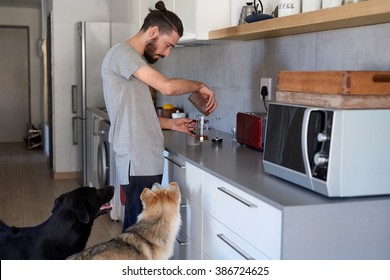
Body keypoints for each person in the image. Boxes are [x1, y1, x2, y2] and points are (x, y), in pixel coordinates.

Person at [101, 1, 217, 232]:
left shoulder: (132, 60)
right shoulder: (124, 54)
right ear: (153, 32)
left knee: (140, 236)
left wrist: (169, 123)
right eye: (168, 45)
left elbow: (135, 114)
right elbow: (167, 87)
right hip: (138, 160)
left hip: (143, 159)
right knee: (137, 238)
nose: (166, 53)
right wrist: (199, 86)